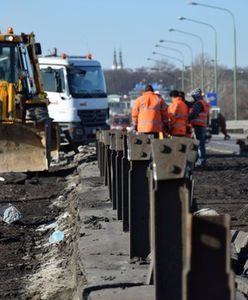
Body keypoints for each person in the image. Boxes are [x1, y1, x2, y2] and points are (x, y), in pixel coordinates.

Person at [189, 88, 210, 166]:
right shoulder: (204, 103)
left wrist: (186, 118)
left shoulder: (198, 104)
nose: (193, 98)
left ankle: (201, 160)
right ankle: (202, 159)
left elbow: (194, 114)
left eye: (193, 97)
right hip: (202, 125)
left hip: (198, 125)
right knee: (201, 144)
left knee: (199, 144)